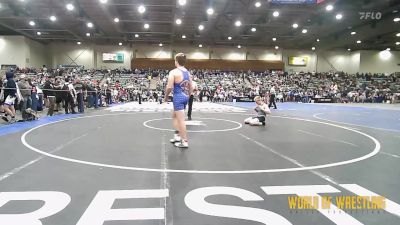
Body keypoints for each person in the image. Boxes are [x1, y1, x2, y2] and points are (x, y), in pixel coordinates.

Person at [164, 53, 193, 148]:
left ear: (176, 61)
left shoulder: (173, 72)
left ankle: (184, 141)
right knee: (174, 115)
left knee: (181, 120)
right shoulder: (187, 72)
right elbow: (191, 87)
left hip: (178, 97)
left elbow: (169, 87)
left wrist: (166, 96)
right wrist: (188, 96)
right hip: (185, 96)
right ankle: (177, 136)